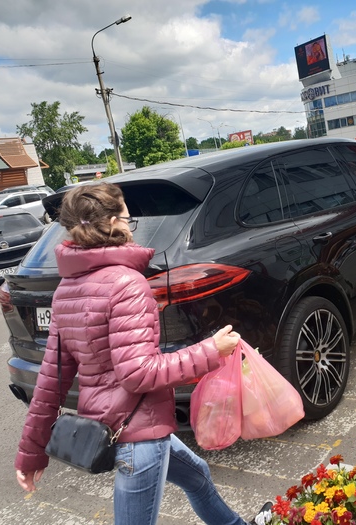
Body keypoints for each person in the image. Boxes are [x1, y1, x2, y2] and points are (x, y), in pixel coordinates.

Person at [14, 183, 270, 525]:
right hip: (137, 437)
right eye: (128, 219)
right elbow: (139, 374)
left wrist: (31, 454)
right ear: (114, 223)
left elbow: (50, 381)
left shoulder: (66, 289)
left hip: (114, 425)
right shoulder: (127, 283)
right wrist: (211, 350)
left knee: (198, 476)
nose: (131, 228)